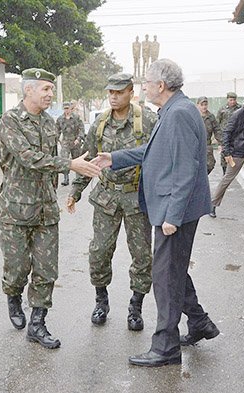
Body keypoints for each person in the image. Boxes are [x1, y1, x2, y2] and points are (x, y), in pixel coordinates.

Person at [92, 59, 219, 367]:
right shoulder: (174, 110)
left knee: (164, 278)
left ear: (161, 86)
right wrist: (114, 157)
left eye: (147, 82)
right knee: (172, 270)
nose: (144, 87)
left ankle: (165, 348)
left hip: (175, 212)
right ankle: (200, 323)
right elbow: (153, 151)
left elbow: (187, 169)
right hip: (174, 207)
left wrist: (172, 217)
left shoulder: (178, 114)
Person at [0, 68, 101, 349]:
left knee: (46, 270)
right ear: (27, 90)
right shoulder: (10, 121)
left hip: (45, 208)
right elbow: (28, 157)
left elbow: (50, 163)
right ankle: (14, 296)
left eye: (51, 90)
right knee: (17, 268)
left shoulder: (50, 123)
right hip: (16, 209)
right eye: (45, 89)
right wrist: (70, 164)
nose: (50, 95)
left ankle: (38, 323)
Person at [67, 73, 157, 331]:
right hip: (106, 198)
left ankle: (135, 307)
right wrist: (76, 191)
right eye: (110, 92)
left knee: (141, 255)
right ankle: (101, 300)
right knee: (99, 252)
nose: (114, 97)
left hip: (136, 198)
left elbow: (159, 156)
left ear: (131, 92)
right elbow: (89, 160)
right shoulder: (100, 123)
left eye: (119, 92)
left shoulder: (148, 120)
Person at [56, 102, 85, 186]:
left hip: (75, 142)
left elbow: (81, 129)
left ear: (70, 108)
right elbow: (57, 130)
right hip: (65, 142)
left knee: (77, 159)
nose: (67, 110)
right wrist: (57, 139)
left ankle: (78, 178)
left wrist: (79, 139)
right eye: (65, 108)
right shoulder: (60, 119)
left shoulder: (76, 117)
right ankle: (66, 178)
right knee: (64, 159)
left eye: (68, 108)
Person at [217, 92, 241, 174]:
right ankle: (225, 171)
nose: (233, 102)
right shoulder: (222, 109)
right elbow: (218, 122)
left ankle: (233, 171)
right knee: (224, 153)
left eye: (234, 100)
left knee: (235, 154)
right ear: (227, 99)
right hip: (225, 135)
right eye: (231, 100)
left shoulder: (240, 108)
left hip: (236, 135)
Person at [196, 96, 221, 174]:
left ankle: (202, 180)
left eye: (205, 104)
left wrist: (222, 142)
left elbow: (217, 130)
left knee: (210, 164)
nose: (204, 107)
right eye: (202, 105)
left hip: (207, 145)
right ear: (197, 105)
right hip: (195, 145)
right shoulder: (193, 116)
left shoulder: (210, 117)